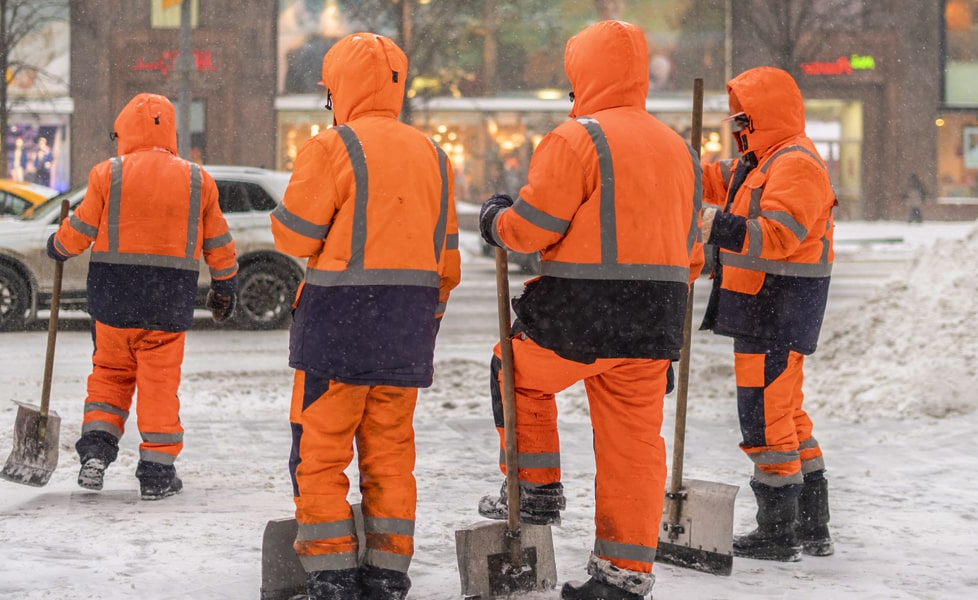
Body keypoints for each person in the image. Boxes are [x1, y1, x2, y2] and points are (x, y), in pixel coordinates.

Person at [476, 20, 704, 600]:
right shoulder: (680, 150)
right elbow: (692, 253)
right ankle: (623, 577)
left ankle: (536, 489)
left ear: (582, 75)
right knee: (633, 448)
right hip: (654, 323)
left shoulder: (577, 138)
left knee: (515, 371)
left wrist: (495, 220)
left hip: (578, 319)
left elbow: (532, 229)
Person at [269, 32, 460, 600]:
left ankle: (331, 574)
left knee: (321, 454)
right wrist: (423, 321)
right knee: (392, 455)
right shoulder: (435, 156)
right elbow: (446, 261)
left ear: (339, 89)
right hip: (406, 333)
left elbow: (294, 234)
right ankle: (386, 572)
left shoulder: (333, 148)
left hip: (337, 331)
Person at [46, 93, 239, 501]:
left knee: (109, 376)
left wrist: (58, 246)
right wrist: (225, 285)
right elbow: (218, 241)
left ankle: (96, 450)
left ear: (123, 132)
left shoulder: (107, 174)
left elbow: (80, 229)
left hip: (113, 300)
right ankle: (156, 473)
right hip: (168, 303)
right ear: (169, 130)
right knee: (158, 386)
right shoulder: (197, 179)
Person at [697, 66, 836, 563]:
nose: (737, 128)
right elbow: (713, 178)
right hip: (765, 305)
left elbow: (778, 237)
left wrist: (716, 225)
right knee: (787, 414)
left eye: (743, 118)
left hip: (777, 307)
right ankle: (811, 525)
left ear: (762, 116)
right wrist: (675, 164)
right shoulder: (762, 161)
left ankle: (779, 531)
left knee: (765, 417)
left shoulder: (795, 163)